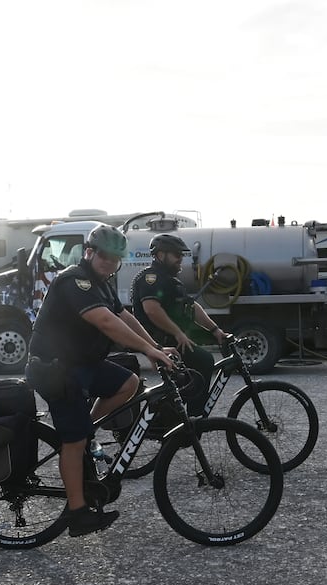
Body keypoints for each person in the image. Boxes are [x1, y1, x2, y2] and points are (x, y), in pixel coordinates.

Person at [25, 224, 175, 537]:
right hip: (56, 369)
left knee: (129, 383)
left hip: (82, 364)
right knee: (73, 439)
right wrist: (147, 349)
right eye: (104, 256)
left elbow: (124, 316)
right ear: (90, 253)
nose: (109, 263)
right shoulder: (74, 281)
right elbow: (105, 321)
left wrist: (155, 347)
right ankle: (78, 513)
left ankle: (86, 429)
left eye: (115, 259)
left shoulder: (102, 282)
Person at [129, 233, 228, 413]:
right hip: (160, 339)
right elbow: (152, 309)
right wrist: (177, 333)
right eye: (176, 255)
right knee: (204, 360)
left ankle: (178, 415)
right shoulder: (151, 277)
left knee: (188, 377)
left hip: (174, 335)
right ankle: (191, 417)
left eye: (181, 255)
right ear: (160, 255)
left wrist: (215, 330)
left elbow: (192, 306)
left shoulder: (170, 279)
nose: (180, 259)